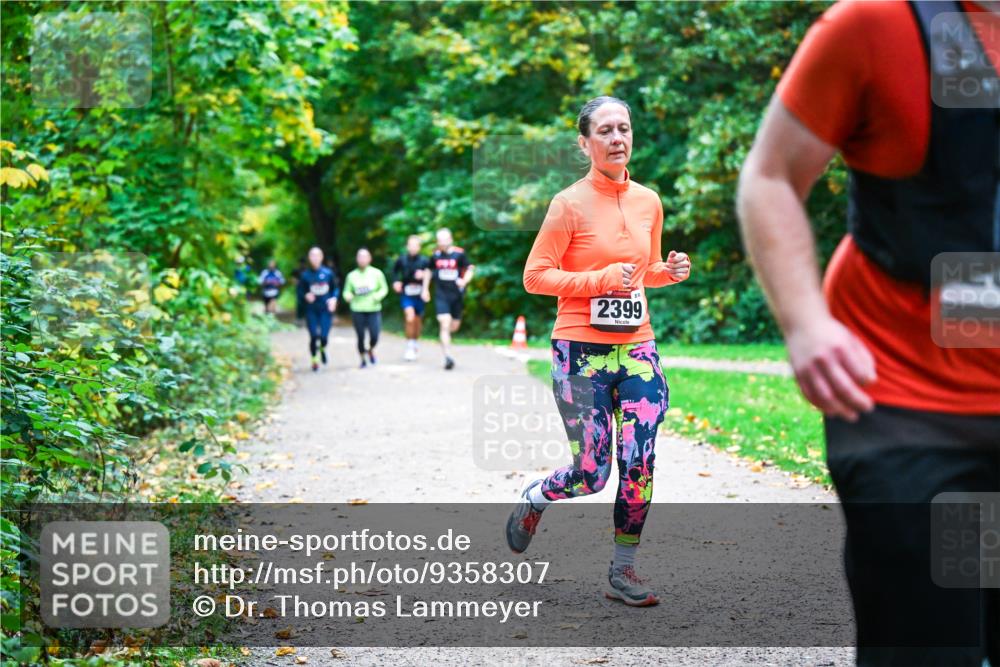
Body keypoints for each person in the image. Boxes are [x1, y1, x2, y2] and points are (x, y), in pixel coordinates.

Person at [737, 2, 999, 664]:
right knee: (932, 641)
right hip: (912, 404)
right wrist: (804, 322)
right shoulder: (873, 28)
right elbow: (770, 178)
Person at [508, 96, 691, 607]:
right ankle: (537, 497)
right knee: (592, 473)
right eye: (605, 130)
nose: (617, 138)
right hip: (579, 353)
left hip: (637, 350)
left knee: (639, 463)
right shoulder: (567, 203)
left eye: (624, 129)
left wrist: (667, 272)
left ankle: (623, 570)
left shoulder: (649, 201)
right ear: (584, 143)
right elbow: (535, 276)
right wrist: (600, 280)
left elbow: (644, 271)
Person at [428, 228, 474, 370]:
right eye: (439, 240)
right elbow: (428, 271)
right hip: (441, 295)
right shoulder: (435, 255)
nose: (441, 243)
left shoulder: (459, 254)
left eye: (444, 240)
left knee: (454, 326)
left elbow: (470, 269)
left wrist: (464, 281)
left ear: (450, 239)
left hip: (457, 296)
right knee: (444, 323)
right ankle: (447, 356)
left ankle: (446, 339)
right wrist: (424, 289)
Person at [342, 247, 389, 368]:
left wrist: (377, 297)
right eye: (360, 257)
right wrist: (348, 296)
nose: (362, 259)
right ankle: (362, 358)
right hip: (357, 309)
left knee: (375, 335)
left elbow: (384, 288)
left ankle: (371, 349)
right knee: (360, 336)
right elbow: (346, 291)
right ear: (357, 259)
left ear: (369, 259)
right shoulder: (351, 276)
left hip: (373, 309)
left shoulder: (377, 273)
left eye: (364, 257)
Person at [299, 247, 339, 372]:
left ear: (321, 257)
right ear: (309, 258)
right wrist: (305, 295)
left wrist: (334, 299)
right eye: (312, 256)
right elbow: (300, 291)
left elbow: (335, 289)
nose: (315, 258)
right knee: (313, 335)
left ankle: (322, 348)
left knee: (323, 336)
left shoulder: (328, 273)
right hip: (311, 310)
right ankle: (314, 359)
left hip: (325, 310)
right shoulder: (305, 275)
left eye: (317, 256)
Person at [391, 235, 431, 361]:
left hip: (420, 295)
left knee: (418, 322)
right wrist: (396, 282)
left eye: (415, 245)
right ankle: (409, 346)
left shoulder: (425, 261)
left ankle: (414, 342)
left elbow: (433, 274)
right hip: (407, 293)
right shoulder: (401, 260)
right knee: (409, 317)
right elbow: (394, 271)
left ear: (419, 247)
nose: (413, 247)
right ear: (407, 246)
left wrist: (424, 274)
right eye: (411, 245)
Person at [291, 257, 307, 326]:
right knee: (299, 303)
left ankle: (304, 318)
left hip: (306, 289)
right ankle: (299, 318)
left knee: (305, 303)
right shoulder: (297, 270)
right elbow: (293, 279)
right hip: (299, 288)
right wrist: (297, 282)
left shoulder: (306, 270)